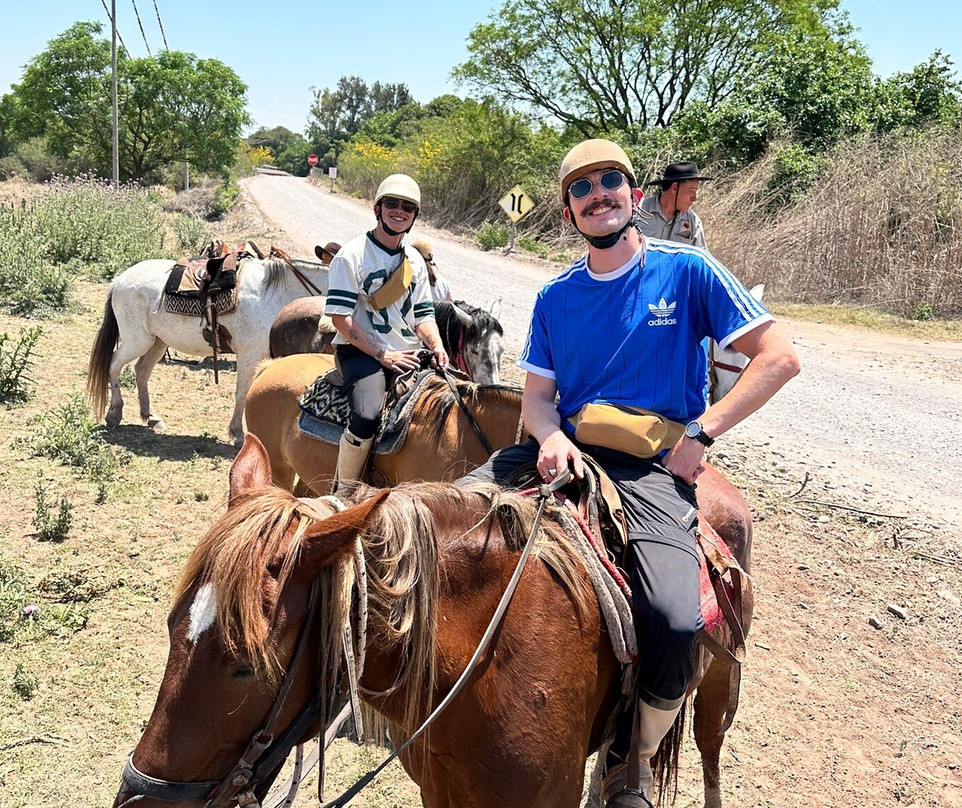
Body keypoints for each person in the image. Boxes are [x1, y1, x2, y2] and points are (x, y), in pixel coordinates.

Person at [466, 140, 799, 808]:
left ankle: (633, 757)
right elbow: (534, 398)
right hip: (563, 450)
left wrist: (703, 431)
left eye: (609, 180)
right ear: (568, 212)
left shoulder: (688, 270)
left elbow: (778, 358)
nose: (597, 195)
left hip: (650, 465)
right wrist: (552, 435)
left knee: (675, 623)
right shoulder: (556, 296)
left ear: (635, 195)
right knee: (438, 525)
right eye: (581, 188)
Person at [324, 173, 449, 495]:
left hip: (408, 351)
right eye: (391, 204)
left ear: (414, 215)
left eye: (407, 207)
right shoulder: (351, 255)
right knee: (366, 416)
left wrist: (436, 345)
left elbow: (423, 316)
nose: (399, 211)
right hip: (362, 352)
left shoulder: (415, 261)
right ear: (377, 209)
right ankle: (344, 492)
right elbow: (340, 318)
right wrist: (382, 353)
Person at [638, 161, 711, 248]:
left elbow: (700, 258)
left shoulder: (693, 221)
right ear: (675, 188)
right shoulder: (638, 212)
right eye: (691, 191)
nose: (694, 198)